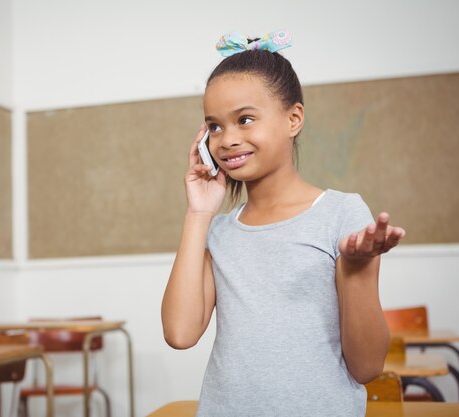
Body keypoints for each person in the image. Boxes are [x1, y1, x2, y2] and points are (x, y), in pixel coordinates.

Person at [161, 30, 406, 417]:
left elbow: (367, 367)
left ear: (294, 118)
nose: (226, 140)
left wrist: (355, 269)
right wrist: (198, 213)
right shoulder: (219, 231)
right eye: (215, 126)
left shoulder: (342, 214)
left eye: (244, 119)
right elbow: (180, 333)